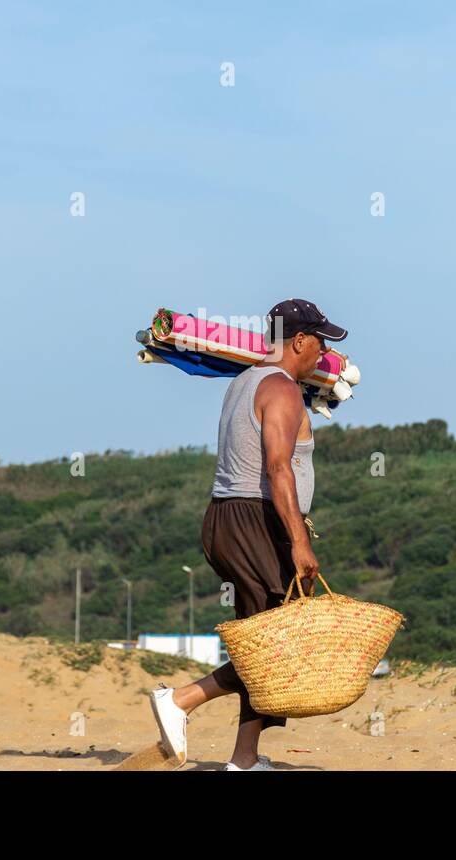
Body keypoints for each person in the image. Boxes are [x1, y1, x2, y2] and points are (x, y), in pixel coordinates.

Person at [149, 299, 347, 770]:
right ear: (299, 340)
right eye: (320, 342)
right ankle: (179, 700)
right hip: (256, 521)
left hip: (227, 518)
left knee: (264, 638)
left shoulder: (244, 382)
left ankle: (244, 759)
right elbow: (278, 468)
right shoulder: (280, 390)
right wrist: (299, 541)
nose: (323, 354)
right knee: (276, 647)